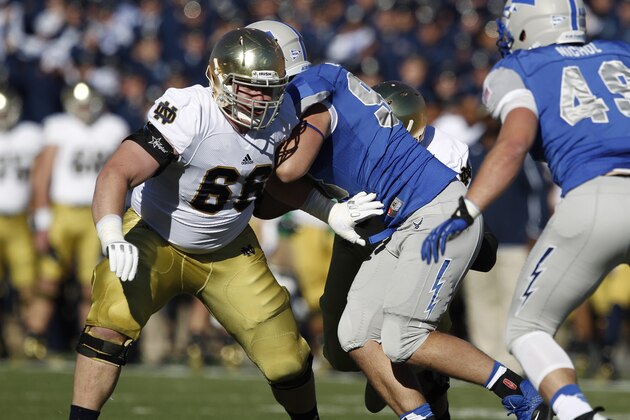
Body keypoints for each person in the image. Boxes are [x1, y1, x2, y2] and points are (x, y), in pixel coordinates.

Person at [67, 27, 379, 420]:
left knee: (288, 359)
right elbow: (117, 172)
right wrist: (111, 234)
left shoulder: (283, 116)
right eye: (249, 87)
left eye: (270, 89)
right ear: (218, 77)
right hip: (154, 235)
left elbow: (274, 182)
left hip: (229, 250)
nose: (261, 99)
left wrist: (326, 209)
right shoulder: (191, 111)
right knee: (108, 326)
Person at [250, 20, 551, 420]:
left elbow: (288, 172)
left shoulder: (312, 84)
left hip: (432, 212)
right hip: (396, 227)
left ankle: (520, 392)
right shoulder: (308, 92)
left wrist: (252, 154)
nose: (248, 90)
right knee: (355, 335)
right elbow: (269, 200)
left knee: (403, 338)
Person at [421, 1, 630, 419]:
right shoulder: (620, 53)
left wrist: (467, 209)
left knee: (525, 329)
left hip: (596, 197)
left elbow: (513, 143)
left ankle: (576, 413)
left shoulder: (519, 69)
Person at [28, 81, 129, 356]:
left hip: (96, 214)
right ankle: (33, 339)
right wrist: (42, 219)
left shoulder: (113, 127)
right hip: (62, 212)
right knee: (47, 280)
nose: (84, 108)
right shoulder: (58, 126)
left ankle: (88, 342)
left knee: (92, 285)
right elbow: (42, 176)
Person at [0, 88, 43, 358]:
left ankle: (26, 342)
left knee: (28, 284)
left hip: (19, 222)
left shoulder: (31, 135)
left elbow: (40, 177)